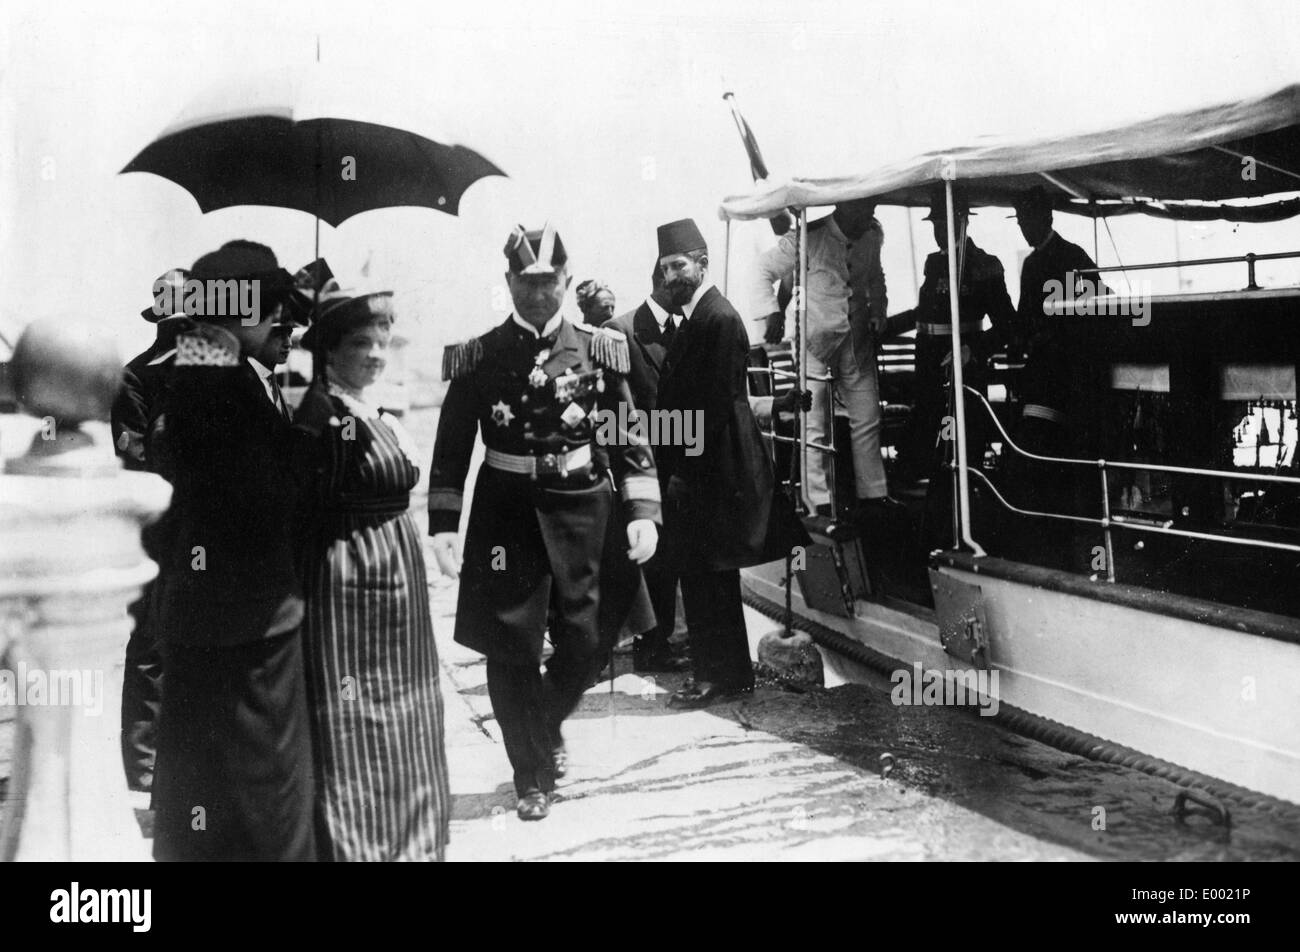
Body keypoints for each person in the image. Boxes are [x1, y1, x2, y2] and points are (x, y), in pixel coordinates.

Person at [428, 223, 661, 821]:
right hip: (505, 513)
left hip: (584, 505)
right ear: (508, 281)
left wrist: (642, 511)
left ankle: (542, 722)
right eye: (526, 282)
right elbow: (452, 443)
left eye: (549, 281)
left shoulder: (600, 349)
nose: (538, 293)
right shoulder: (480, 356)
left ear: (566, 279)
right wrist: (444, 522)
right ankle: (530, 775)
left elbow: (627, 432)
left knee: (590, 637)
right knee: (510, 646)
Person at [147, 240, 316, 861]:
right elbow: (266, 496)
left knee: (202, 793)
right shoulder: (224, 381)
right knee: (268, 797)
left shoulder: (198, 366)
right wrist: (310, 423)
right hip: (250, 621)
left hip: (200, 614)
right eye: (270, 308)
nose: (278, 321)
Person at [293, 285, 451, 861]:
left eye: (383, 342)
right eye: (362, 343)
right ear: (329, 350)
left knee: (404, 708)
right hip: (348, 579)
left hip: (393, 577)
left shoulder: (363, 410)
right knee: (359, 715)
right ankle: (362, 847)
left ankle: (409, 842)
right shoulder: (325, 415)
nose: (377, 354)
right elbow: (305, 499)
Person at [653, 218, 808, 709]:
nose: (671, 277)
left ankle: (714, 676)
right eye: (665, 268)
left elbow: (715, 406)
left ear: (702, 263)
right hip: (708, 463)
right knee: (710, 573)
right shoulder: (701, 317)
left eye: (679, 266)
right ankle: (731, 674)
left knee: (704, 573)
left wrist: (684, 472)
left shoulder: (717, 319)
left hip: (712, 468)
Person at [754, 199, 898, 521]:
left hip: (855, 342)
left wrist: (879, 311)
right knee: (813, 420)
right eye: (865, 211)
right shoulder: (808, 237)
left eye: (872, 211)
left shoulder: (871, 236)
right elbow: (763, 269)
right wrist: (773, 312)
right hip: (814, 342)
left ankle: (874, 494)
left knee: (868, 416)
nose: (870, 218)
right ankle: (816, 500)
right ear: (845, 208)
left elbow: (876, 277)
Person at [110, 267, 187, 794]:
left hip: (201, 527)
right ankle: (143, 764)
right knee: (153, 644)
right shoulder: (135, 378)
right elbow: (132, 455)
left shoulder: (217, 376)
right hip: (159, 527)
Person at [1005, 186, 1108, 568]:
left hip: (1070, 373)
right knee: (1047, 453)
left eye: (1027, 220)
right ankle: (1054, 533)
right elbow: (1025, 317)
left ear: (1045, 218)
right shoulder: (1033, 264)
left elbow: (1101, 305)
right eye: (1020, 222)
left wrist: (1052, 334)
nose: (1023, 228)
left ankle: (1071, 534)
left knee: (1064, 453)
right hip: (1047, 373)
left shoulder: (1072, 257)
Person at [889, 190, 1019, 487]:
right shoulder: (934, 263)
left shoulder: (983, 265)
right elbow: (924, 313)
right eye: (935, 224)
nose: (938, 232)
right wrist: (885, 328)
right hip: (929, 366)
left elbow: (1008, 325)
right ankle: (939, 488)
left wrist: (972, 349)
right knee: (931, 431)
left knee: (959, 434)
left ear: (962, 222)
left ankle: (961, 490)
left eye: (943, 224)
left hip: (961, 367)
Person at [602, 264, 689, 672]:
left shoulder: (688, 329)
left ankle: (662, 643)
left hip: (681, 466)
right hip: (643, 467)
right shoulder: (619, 330)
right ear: (660, 281)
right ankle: (648, 647)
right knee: (647, 559)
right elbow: (616, 415)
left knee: (672, 559)